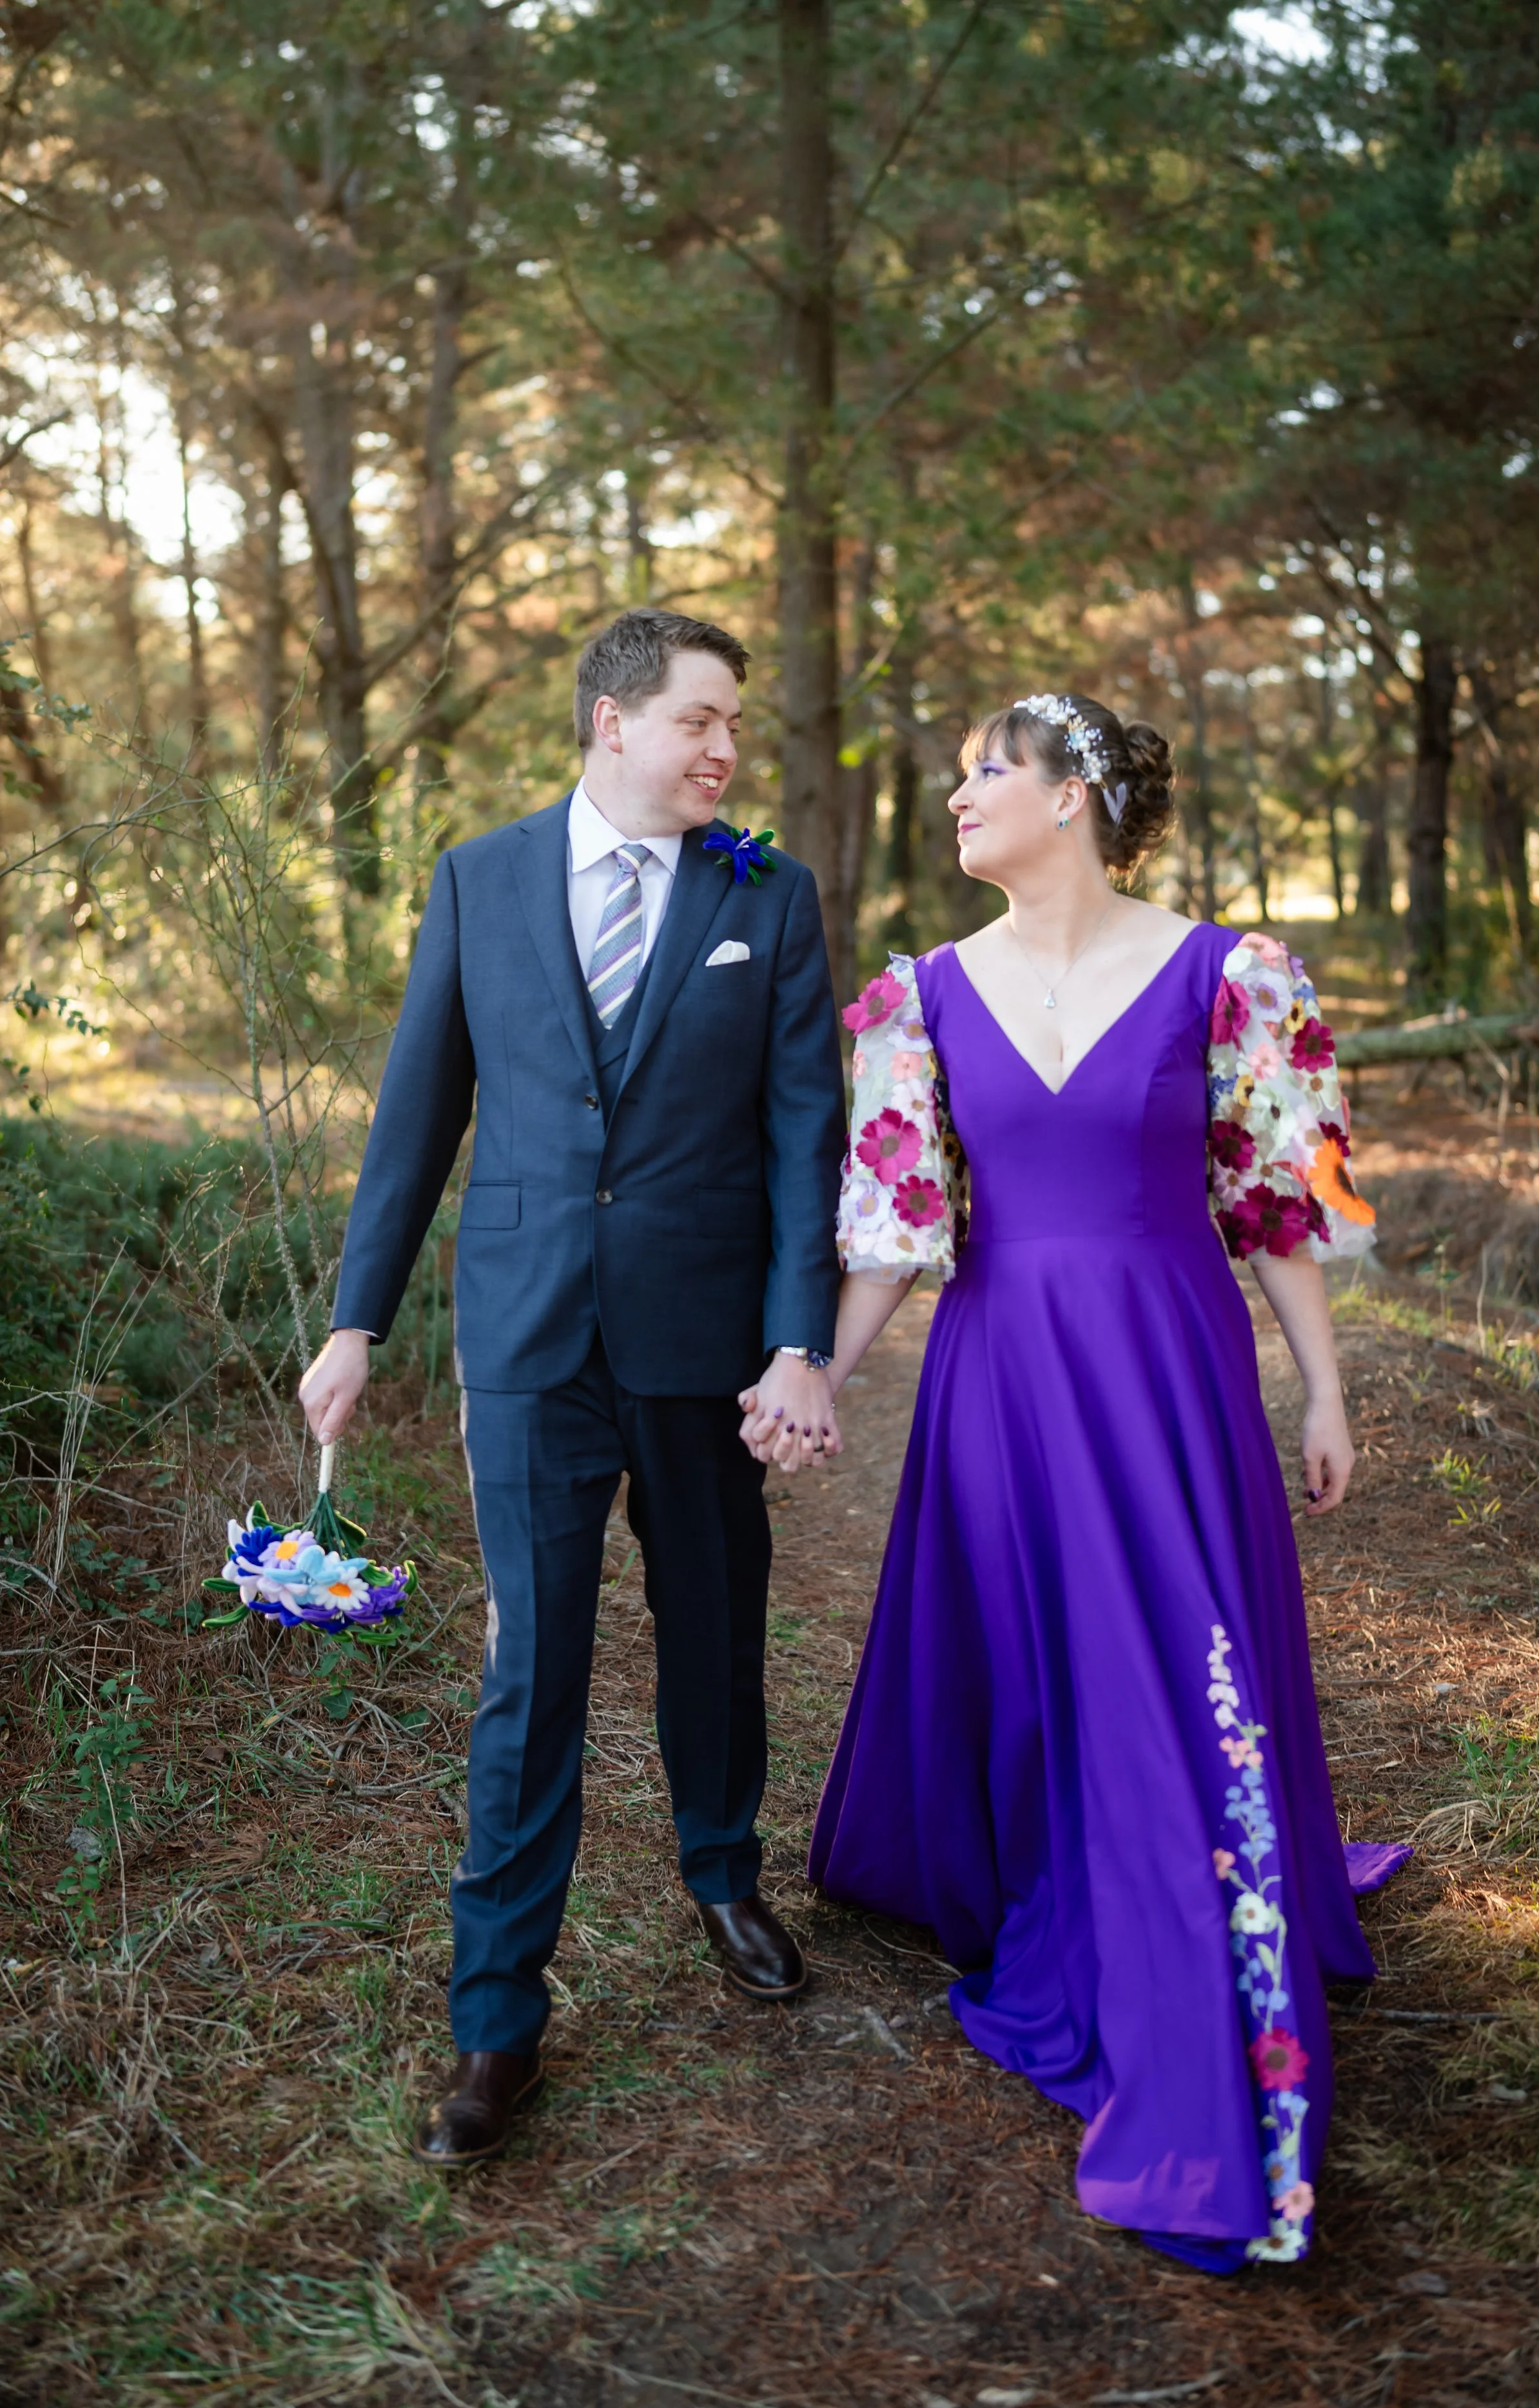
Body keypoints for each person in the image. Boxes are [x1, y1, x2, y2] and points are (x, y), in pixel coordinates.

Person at [745, 690, 1408, 2271]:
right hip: (1001, 1382)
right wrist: (820, 1379)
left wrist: (1321, 1387)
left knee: (1171, 1680)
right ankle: (1043, 1854)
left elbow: (1275, 1197)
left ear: (1079, 795)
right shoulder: (916, 995)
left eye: (989, 771)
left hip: (1168, 1370)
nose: (957, 794)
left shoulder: (1226, 974)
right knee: (1047, 1670)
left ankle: (1182, 1980)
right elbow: (898, 1221)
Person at [299, 609, 847, 2169]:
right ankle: (494, 2022)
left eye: (732, 723)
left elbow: (805, 1134)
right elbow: (418, 1110)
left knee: (713, 1621)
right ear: (612, 721)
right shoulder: (477, 880)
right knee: (530, 1667)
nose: (725, 749)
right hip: (527, 1338)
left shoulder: (770, 898)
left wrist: (793, 1340)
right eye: (699, 719)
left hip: (701, 1338)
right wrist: (358, 1322)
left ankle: (722, 1871)